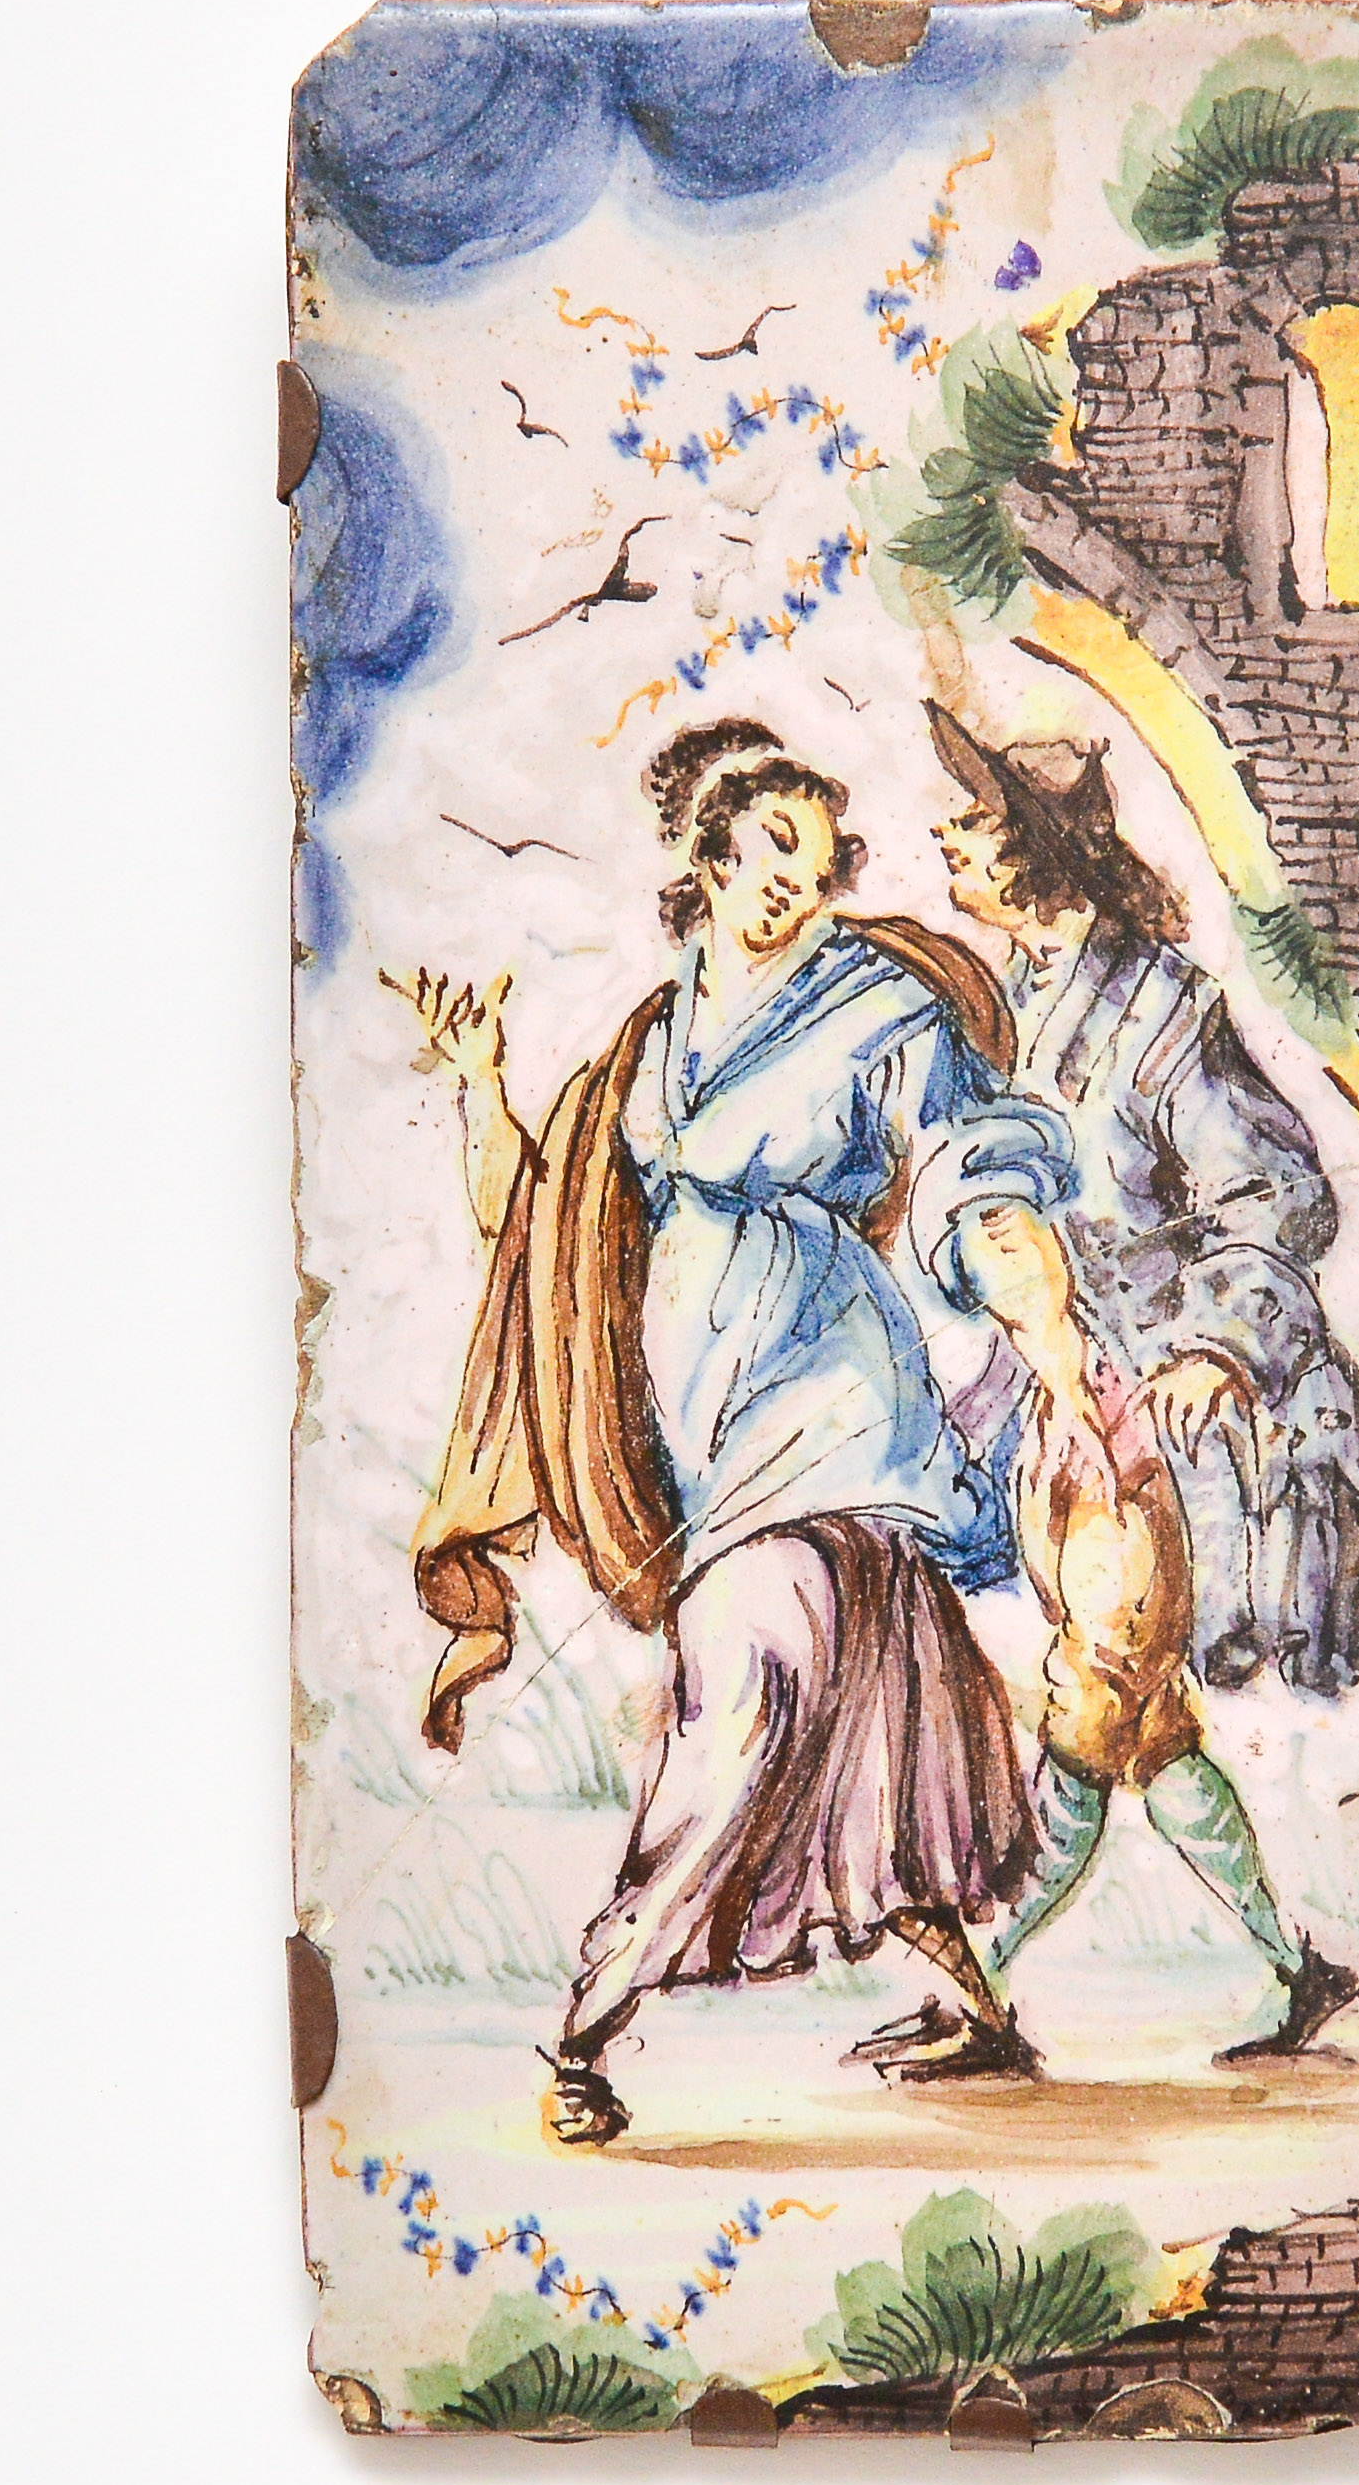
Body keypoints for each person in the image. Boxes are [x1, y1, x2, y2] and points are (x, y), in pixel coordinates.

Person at [391, 718, 1119, 2145]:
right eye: (773, 845)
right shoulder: (648, 1044)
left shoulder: (877, 1007)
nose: (799, 876)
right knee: (882, 1709)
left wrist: (1036, 1305)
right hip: (705, 1431)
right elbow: (536, 1235)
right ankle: (972, 2006)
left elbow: (967, 1161)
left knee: (745, 1681)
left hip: (836, 1396)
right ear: (708, 854)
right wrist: (478, 1081)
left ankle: (584, 2027)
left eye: (820, 857)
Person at [921, 701, 1359, 2061]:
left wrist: (1212, 1345)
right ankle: (1297, 1969)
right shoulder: (1002, 1003)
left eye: (970, 818)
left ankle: (978, 1987)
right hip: (1061, 1404)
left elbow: (1279, 1190)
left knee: (1097, 1695)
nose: (942, 834)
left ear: (1032, 853)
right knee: (1140, 1721)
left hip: (1162, 1418)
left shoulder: (1161, 1013)